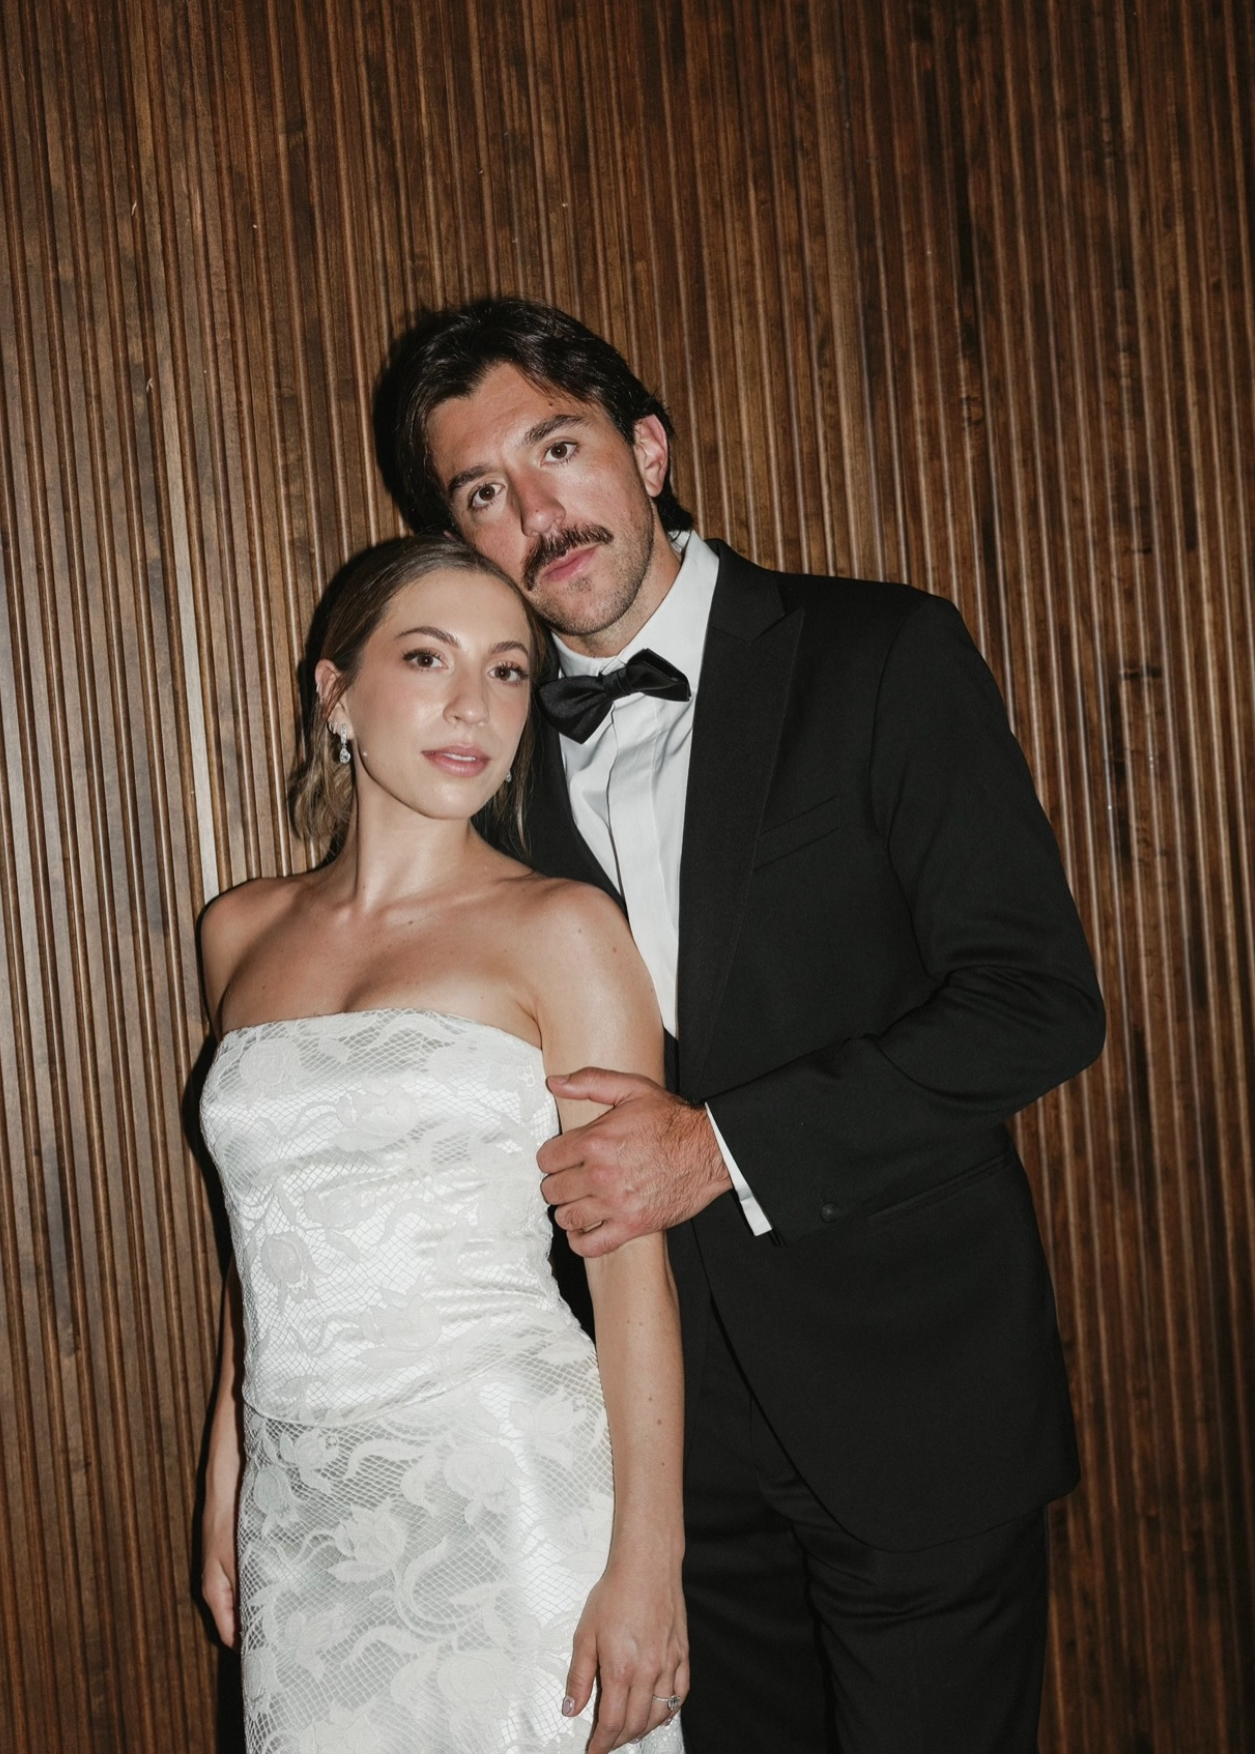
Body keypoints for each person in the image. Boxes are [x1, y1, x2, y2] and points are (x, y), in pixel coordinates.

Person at [375, 298, 1108, 1754]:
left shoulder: (879, 651)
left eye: (558, 448)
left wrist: (720, 1146)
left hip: (912, 1406)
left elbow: (1036, 1003)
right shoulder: (490, 752)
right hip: (653, 1463)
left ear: (647, 450)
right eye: (483, 493)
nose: (538, 514)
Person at [196, 535, 687, 1753]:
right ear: (336, 693)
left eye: (509, 669)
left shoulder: (563, 929)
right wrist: (228, 1470)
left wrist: (648, 1562)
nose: (475, 704)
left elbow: (632, 1273)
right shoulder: (239, 931)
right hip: (299, 1503)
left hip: (508, 1484)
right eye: (428, 658)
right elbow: (261, 1240)